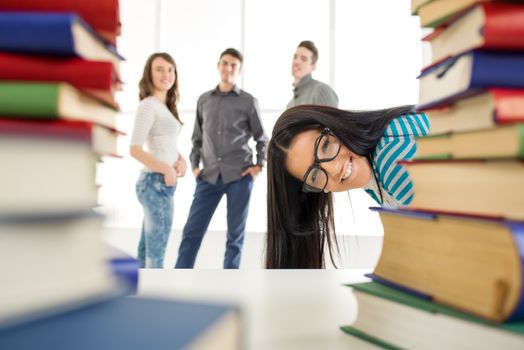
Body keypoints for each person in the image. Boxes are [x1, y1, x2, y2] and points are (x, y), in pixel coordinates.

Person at [265, 104, 429, 269]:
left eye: (325, 147)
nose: (334, 169)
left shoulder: (391, 160)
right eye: (314, 176)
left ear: (335, 127)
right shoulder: (374, 170)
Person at [175, 48, 268, 269]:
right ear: (218, 65)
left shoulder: (248, 101)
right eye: (225, 63)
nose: (228, 68)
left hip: (240, 176)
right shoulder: (204, 100)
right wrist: (195, 165)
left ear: (239, 70)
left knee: (234, 237)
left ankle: (231, 280)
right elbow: (197, 137)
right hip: (208, 176)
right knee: (191, 232)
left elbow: (262, 138)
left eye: (233, 65)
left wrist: (259, 165)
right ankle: (178, 276)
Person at [130, 52, 186, 268]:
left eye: (170, 69)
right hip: (154, 184)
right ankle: (152, 295)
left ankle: (138, 294)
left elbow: (165, 143)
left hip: (160, 184)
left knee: (147, 250)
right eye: (159, 69)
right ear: (149, 74)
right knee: (156, 252)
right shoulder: (148, 105)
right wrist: (166, 169)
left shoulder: (164, 107)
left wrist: (180, 160)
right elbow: (134, 149)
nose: (166, 74)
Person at [287, 40, 338, 108]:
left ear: (313, 67)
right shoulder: (290, 104)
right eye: (295, 57)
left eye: (303, 59)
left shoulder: (321, 90)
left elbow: (330, 118)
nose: (297, 61)